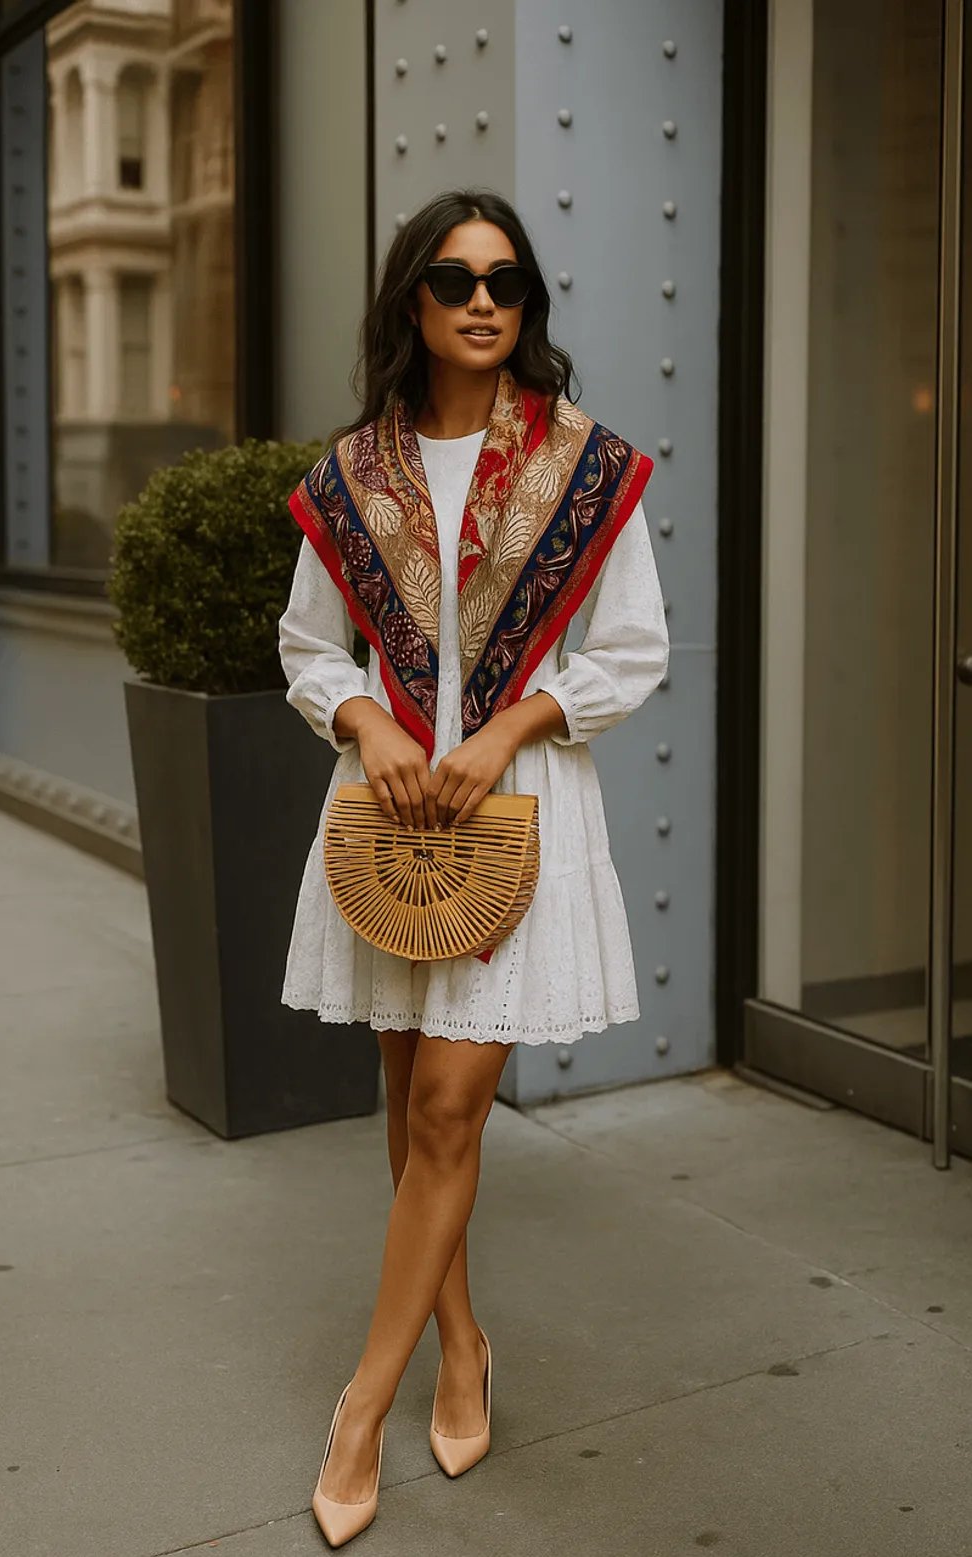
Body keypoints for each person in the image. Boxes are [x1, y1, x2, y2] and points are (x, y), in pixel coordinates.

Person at [278, 186, 670, 1547]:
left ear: (528, 302)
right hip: (391, 810)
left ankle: (359, 1410)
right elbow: (308, 645)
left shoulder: (583, 465)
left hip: (521, 807)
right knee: (409, 1095)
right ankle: (461, 1343)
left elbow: (631, 650)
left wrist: (505, 727)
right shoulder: (355, 473)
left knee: (449, 1106)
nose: (483, 301)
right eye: (454, 280)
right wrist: (367, 718)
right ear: (414, 300)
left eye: (506, 280)